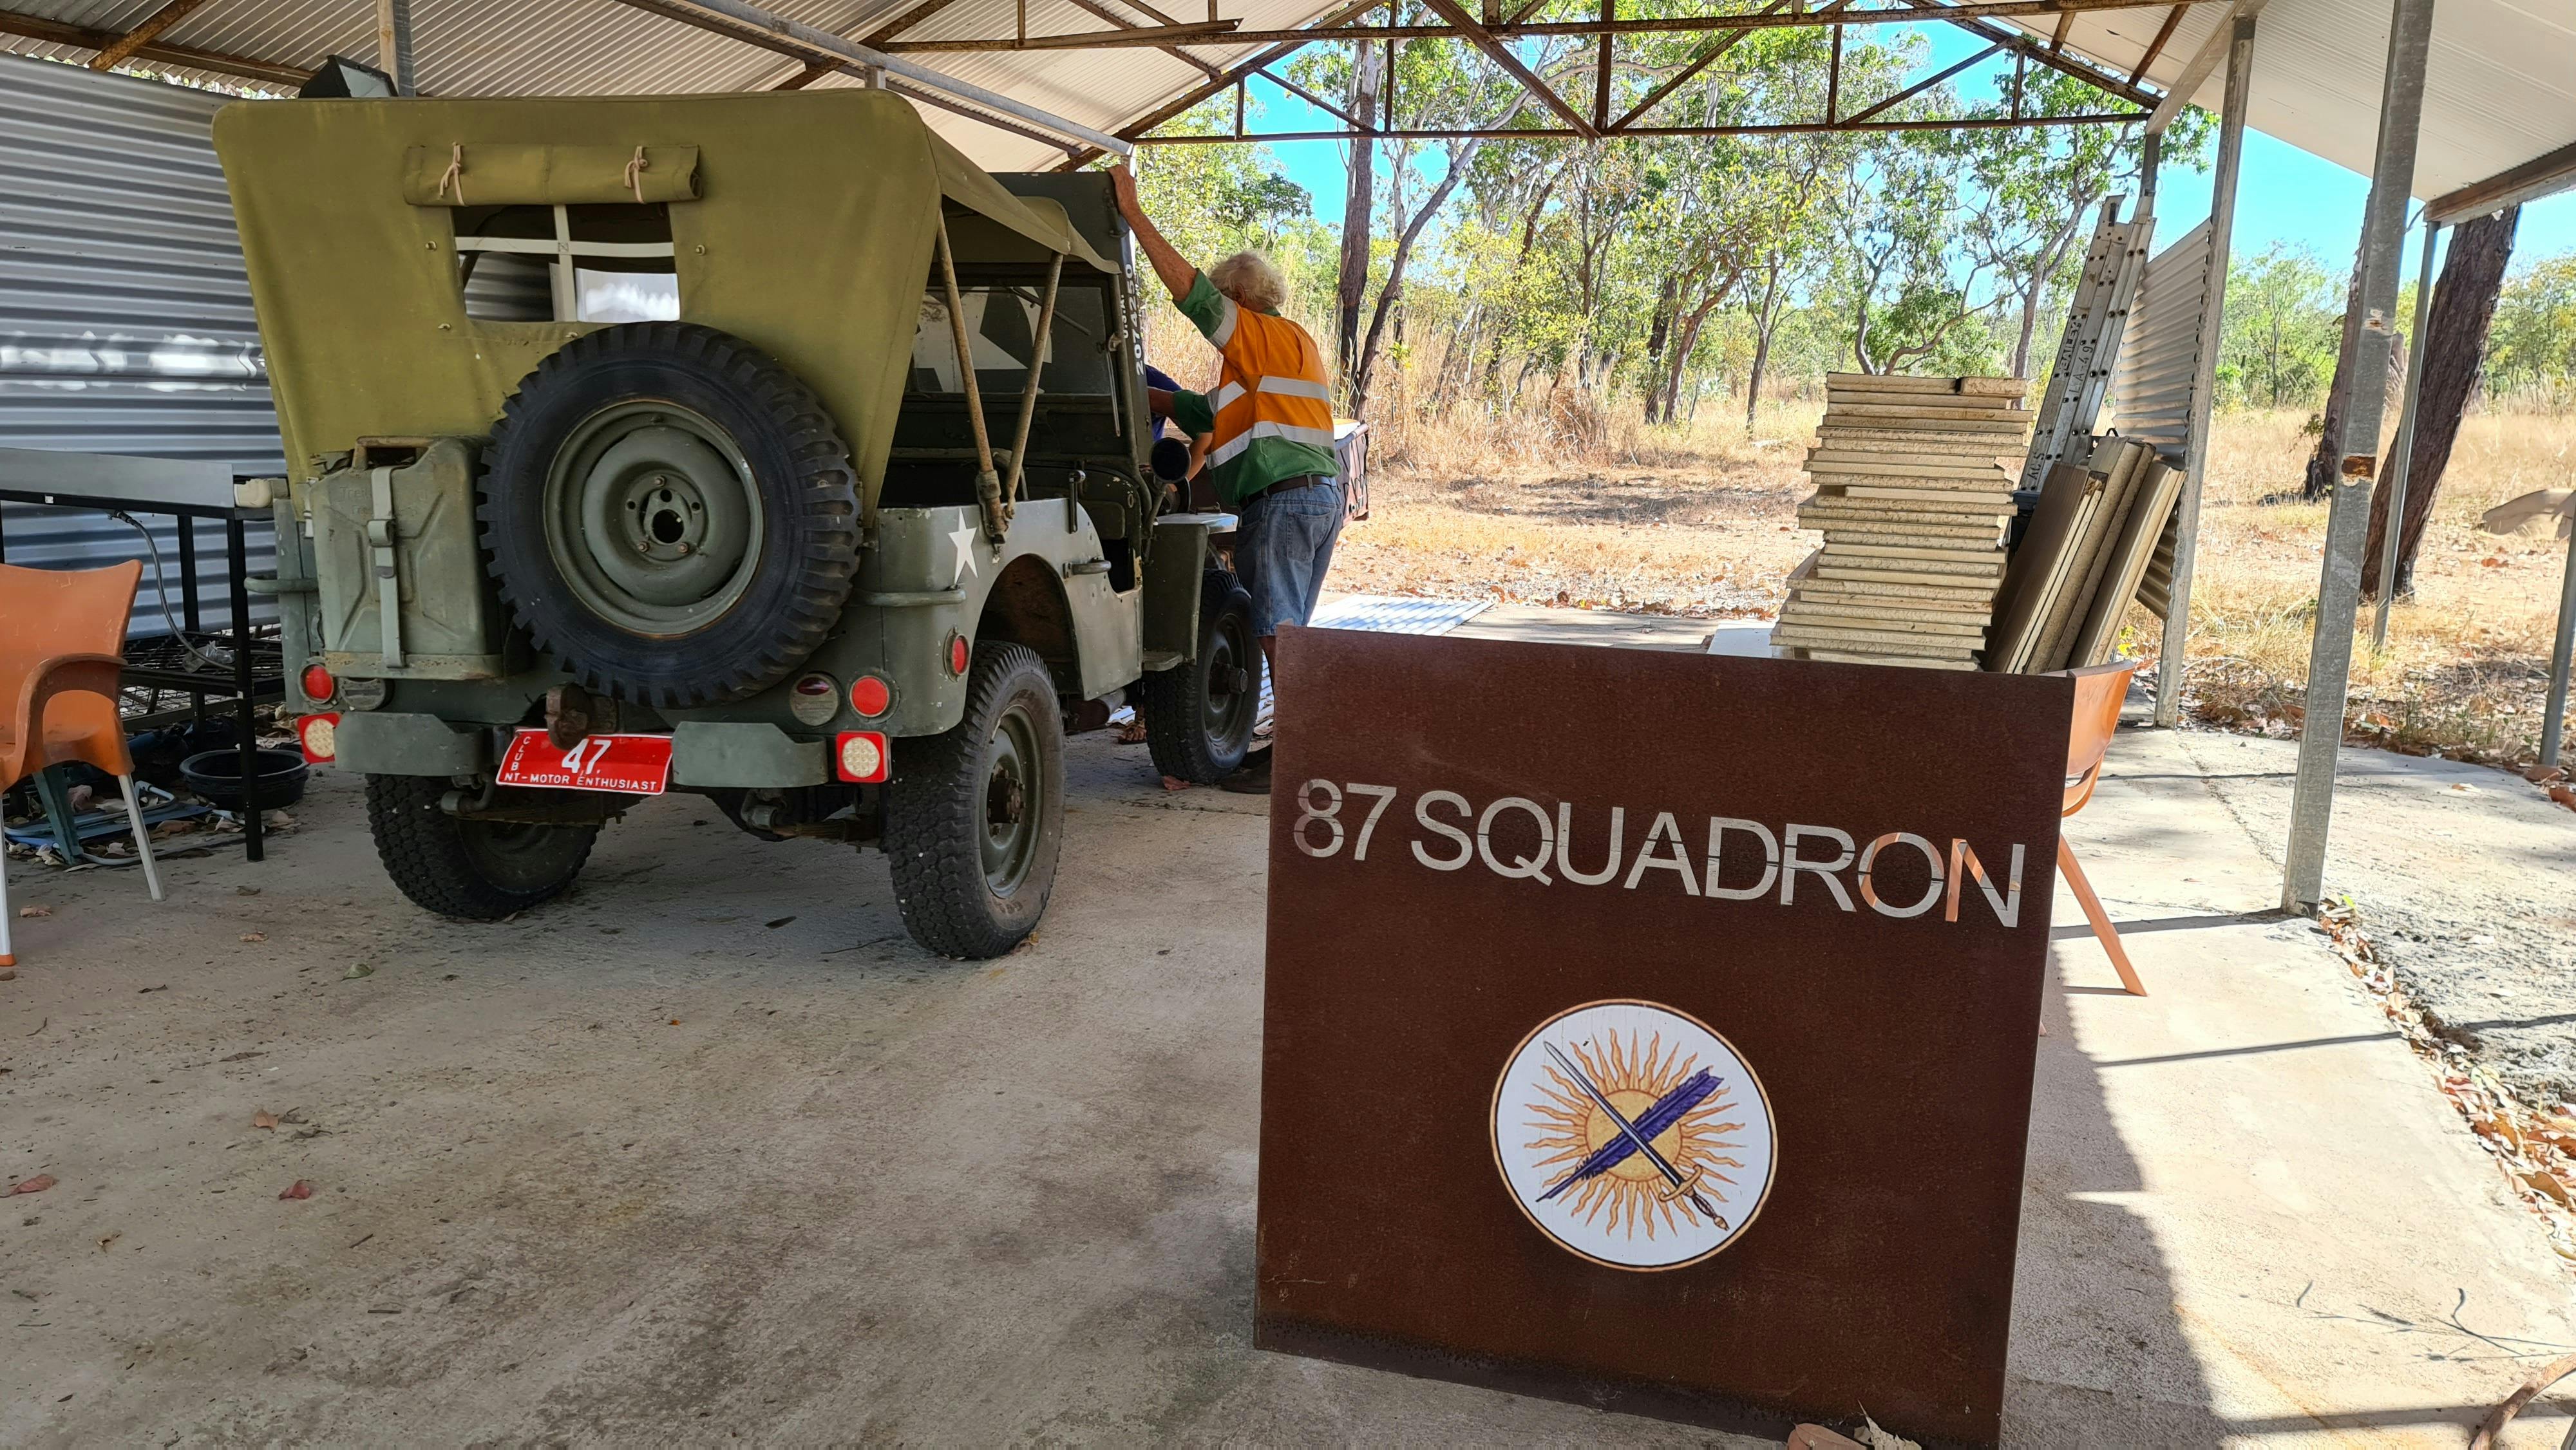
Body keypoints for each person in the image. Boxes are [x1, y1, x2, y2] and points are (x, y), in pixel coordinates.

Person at [1110, 163, 1341, 791]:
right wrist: (1151, 398)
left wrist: (1133, 212)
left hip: (1283, 503)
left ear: (1240, 300)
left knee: (1275, 636)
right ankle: (1301, 750)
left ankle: (1296, 760)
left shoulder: (1255, 335)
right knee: (1288, 634)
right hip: (1319, 499)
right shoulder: (1285, 349)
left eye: (1223, 302)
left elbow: (1192, 294)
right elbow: (1202, 412)